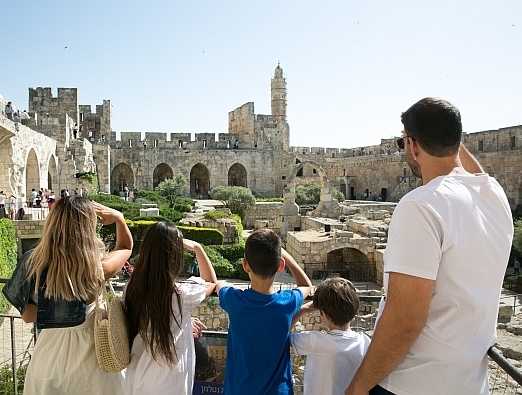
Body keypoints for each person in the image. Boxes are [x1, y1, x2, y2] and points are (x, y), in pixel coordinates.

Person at [346, 98, 514, 395]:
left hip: (411, 384)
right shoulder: (494, 196)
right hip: (470, 384)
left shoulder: (421, 205)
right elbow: (479, 175)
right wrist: (446, 131)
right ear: (456, 140)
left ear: (412, 145)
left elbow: (406, 318)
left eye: (403, 142)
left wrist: (358, 388)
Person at [2, 196, 133, 395]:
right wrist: (119, 218)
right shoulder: (97, 267)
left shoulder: (33, 262)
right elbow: (125, 247)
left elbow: (28, 316)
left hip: (48, 359)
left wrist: (56, 310)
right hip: (91, 362)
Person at [124, 222, 218, 394]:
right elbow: (211, 282)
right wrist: (198, 248)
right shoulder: (183, 295)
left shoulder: (131, 289)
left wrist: (185, 320)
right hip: (170, 379)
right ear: (174, 256)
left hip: (136, 374)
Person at [216, 229, 314, 395]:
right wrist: (287, 258)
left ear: (245, 265)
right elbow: (307, 286)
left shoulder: (234, 300)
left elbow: (218, 285)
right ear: (281, 265)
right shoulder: (288, 302)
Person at [292, 278, 370, 395]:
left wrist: (302, 310)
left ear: (322, 314)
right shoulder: (365, 342)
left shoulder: (314, 341)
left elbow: (281, 336)